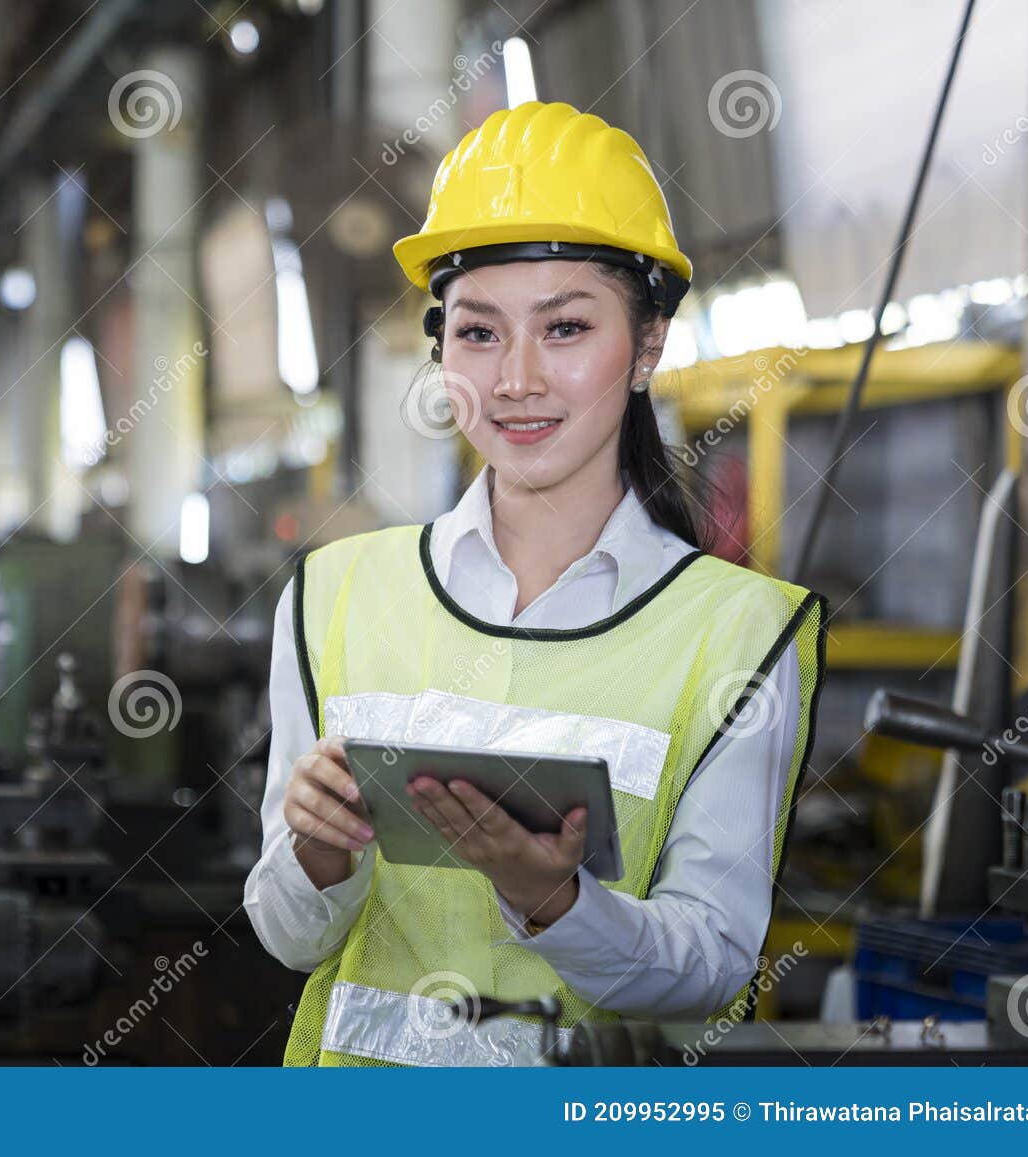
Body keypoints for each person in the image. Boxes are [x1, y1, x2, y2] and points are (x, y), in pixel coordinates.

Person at [243, 101, 828, 1067]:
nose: (515, 378)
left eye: (564, 328)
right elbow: (289, 936)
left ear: (646, 347)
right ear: (440, 348)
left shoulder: (738, 632)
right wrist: (316, 851)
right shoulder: (332, 595)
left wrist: (553, 900)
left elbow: (712, 965)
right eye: (478, 333)